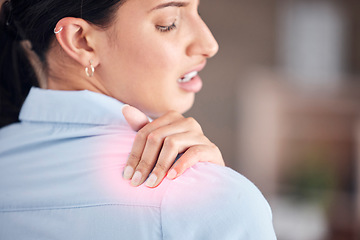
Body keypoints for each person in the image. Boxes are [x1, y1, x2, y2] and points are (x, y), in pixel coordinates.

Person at [0, 0, 277, 239]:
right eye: (169, 22)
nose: (209, 44)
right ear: (81, 40)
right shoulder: (214, 203)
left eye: (198, 9)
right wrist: (219, 193)